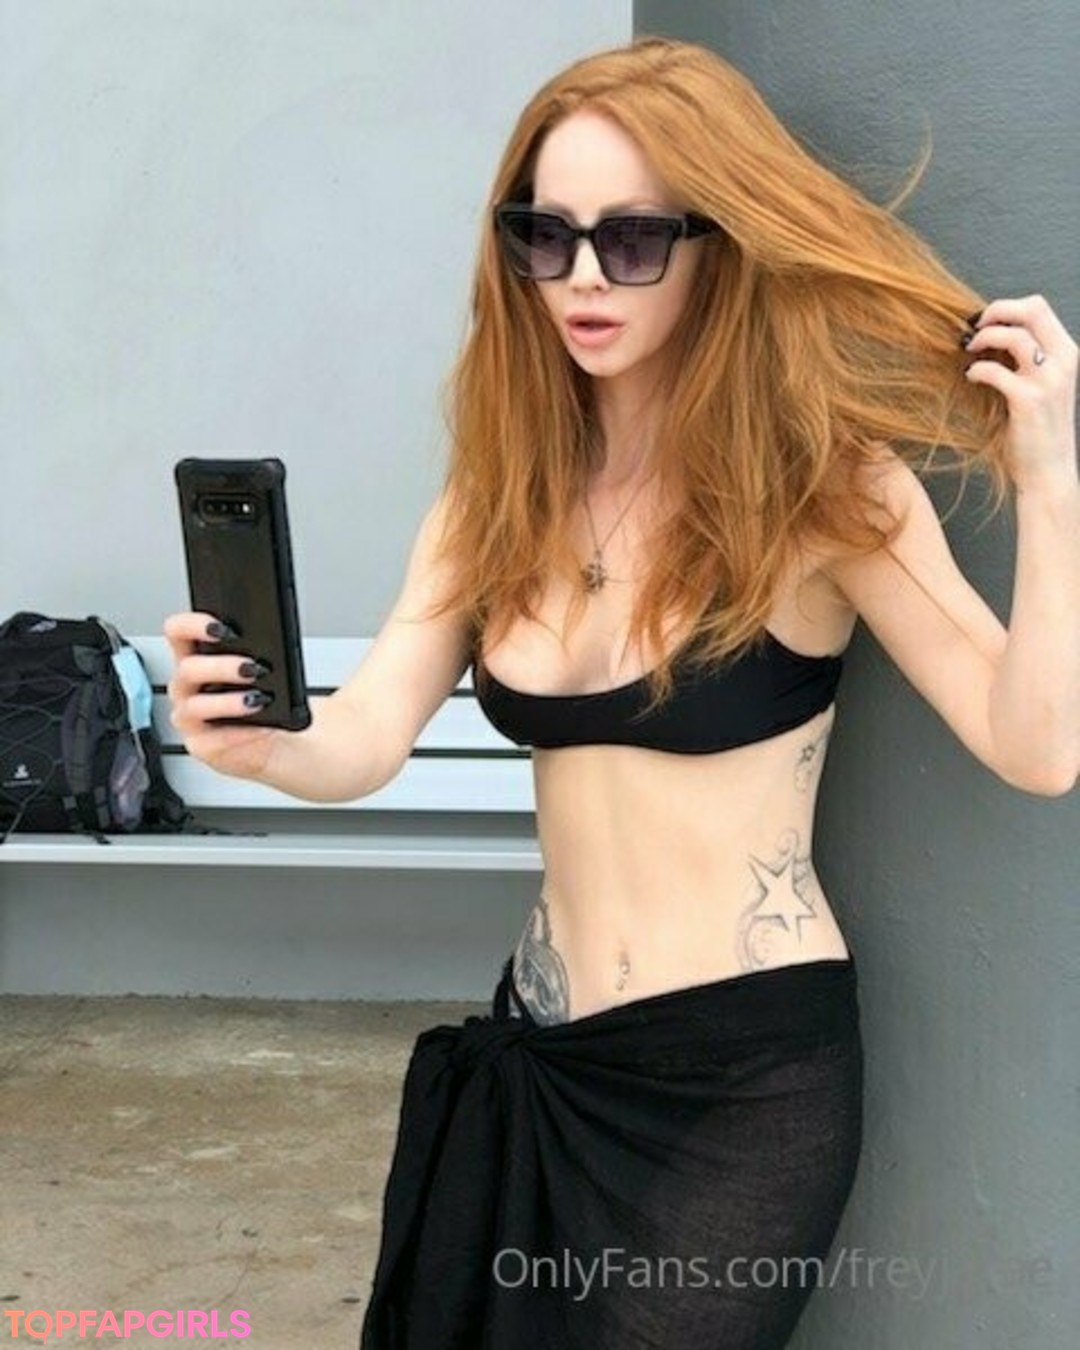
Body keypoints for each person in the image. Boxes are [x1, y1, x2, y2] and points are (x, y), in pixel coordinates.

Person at [164, 35, 1078, 1350]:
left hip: (739, 1087)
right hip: (538, 1047)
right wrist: (260, 744)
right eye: (546, 236)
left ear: (719, 244)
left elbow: (1034, 744)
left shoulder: (828, 493)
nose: (583, 276)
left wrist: (1051, 484)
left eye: (634, 239)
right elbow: (364, 735)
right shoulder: (496, 497)